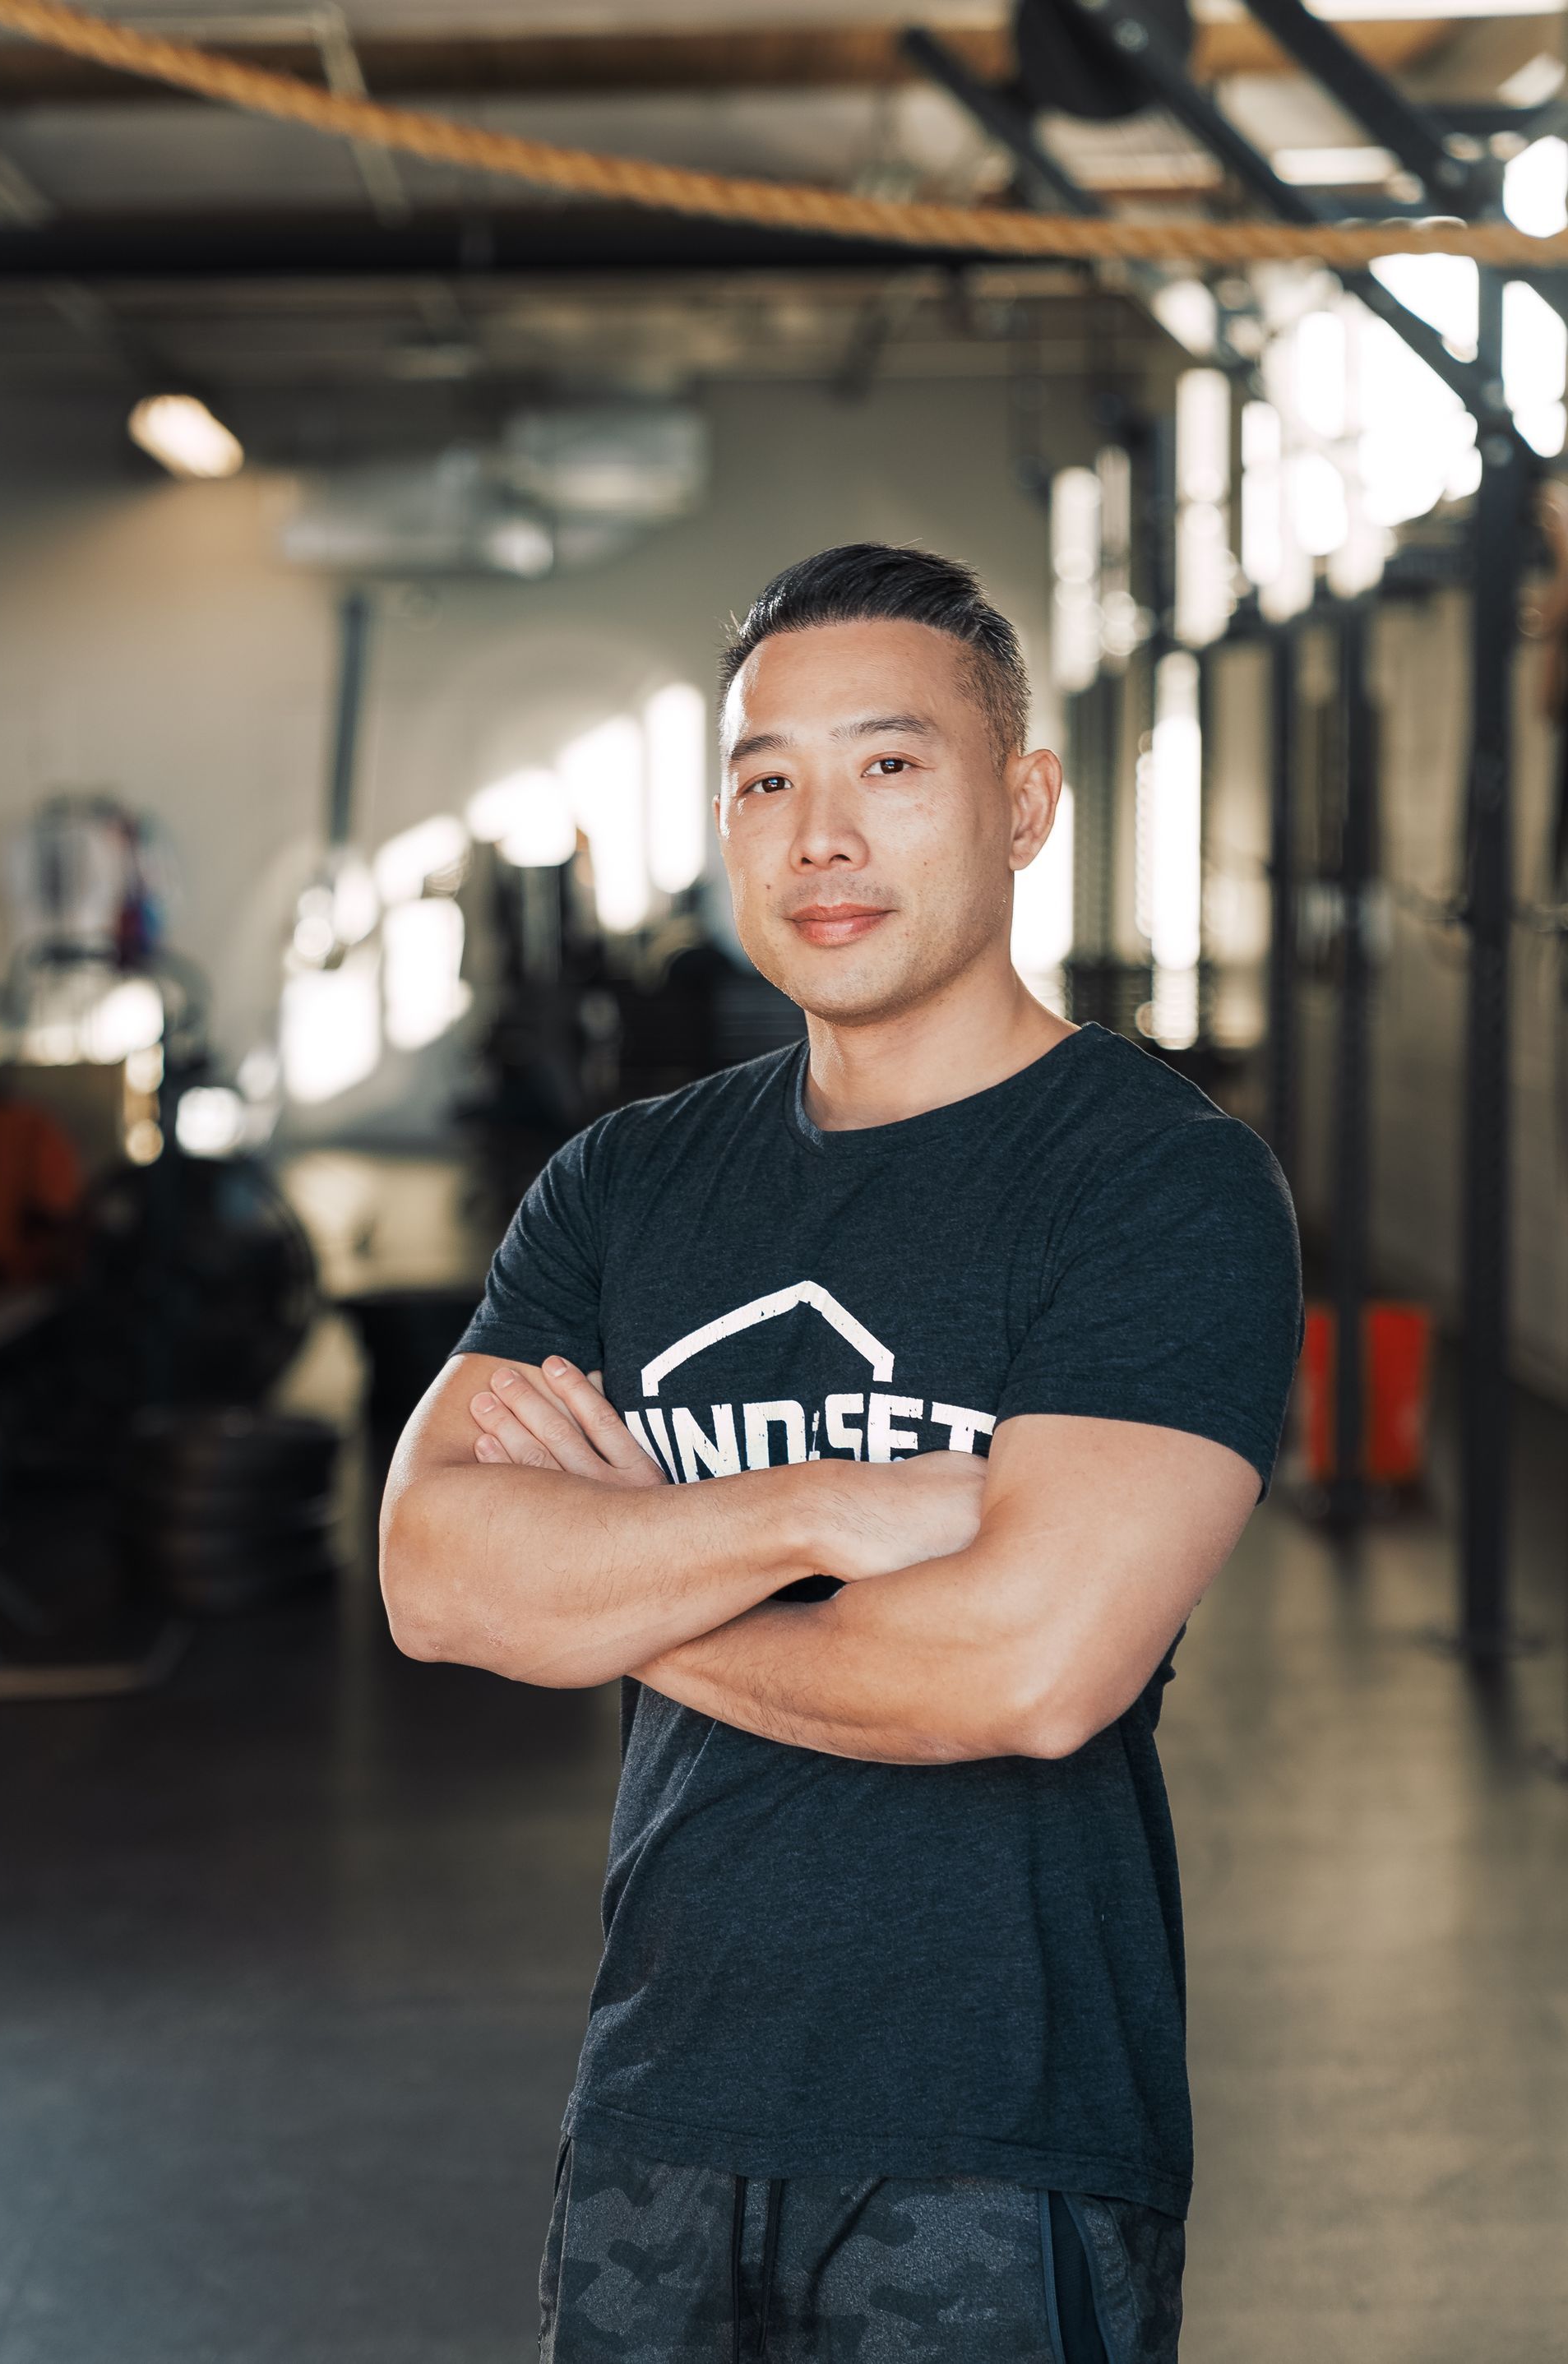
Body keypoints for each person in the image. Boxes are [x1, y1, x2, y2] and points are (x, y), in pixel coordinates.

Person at [379, 544, 1302, 2362]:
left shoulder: (1156, 1184)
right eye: (765, 779)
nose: (819, 837)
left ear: (1023, 803)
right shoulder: (628, 1183)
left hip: (997, 2136)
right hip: (657, 2099)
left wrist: (615, 1573)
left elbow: (1032, 1671)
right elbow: (431, 1572)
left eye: (888, 767)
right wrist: (806, 1512)